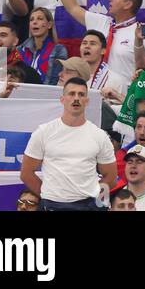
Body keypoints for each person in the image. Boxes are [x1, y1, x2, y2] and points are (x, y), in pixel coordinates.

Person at [20, 77, 117, 210]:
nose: (76, 98)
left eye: (81, 94)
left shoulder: (99, 136)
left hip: (88, 204)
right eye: (71, 94)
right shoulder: (43, 132)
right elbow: (26, 173)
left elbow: (111, 177)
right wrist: (47, 195)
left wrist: (95, 201)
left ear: (87, 101)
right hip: (52, 204)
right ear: (62, 99)